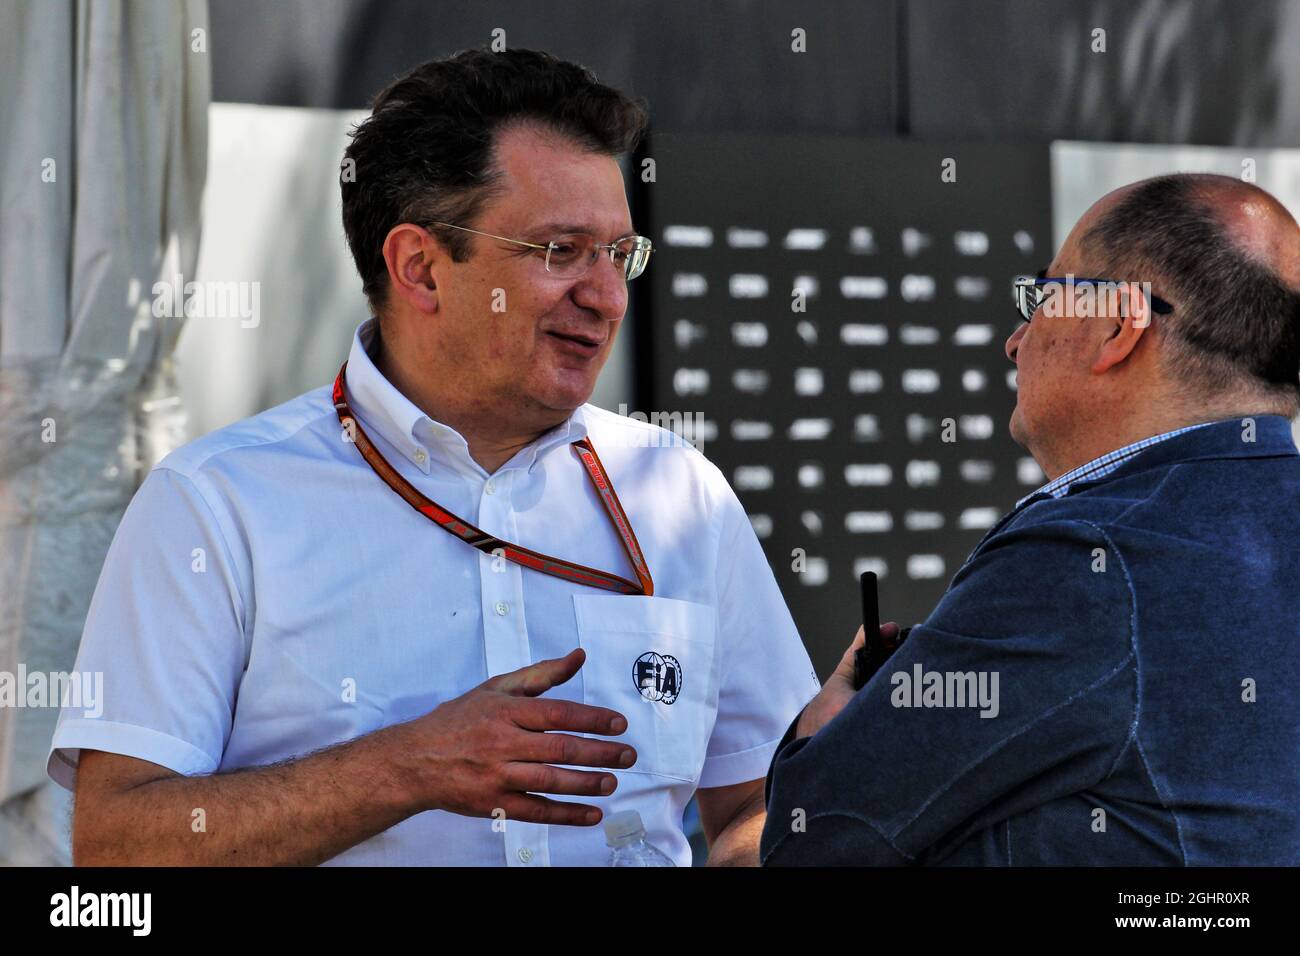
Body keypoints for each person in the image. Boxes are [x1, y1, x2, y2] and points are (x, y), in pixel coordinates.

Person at [50, 48, 819, 866]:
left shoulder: (681, 494)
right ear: (419, 267)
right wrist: (406, 767)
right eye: (561, 251)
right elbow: (118, 846)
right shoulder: (214, 505)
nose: (607, 295)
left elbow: (754, 803)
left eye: (619, 254)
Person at [761, 173, 1300, 865]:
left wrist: (828, 727)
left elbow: (821, 836)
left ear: (1116, 325)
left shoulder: (1086, 557)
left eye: (1044, 296)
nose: (1016, 341)